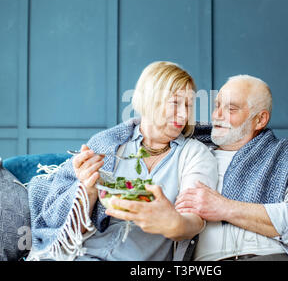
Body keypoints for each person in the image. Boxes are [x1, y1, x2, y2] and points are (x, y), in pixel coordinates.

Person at [26, 61, 218, 261]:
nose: (184, 114)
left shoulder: (194, 154)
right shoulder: (109, 145)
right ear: (151, 100)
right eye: (176, 103)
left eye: (188, 105)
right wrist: (88, 188)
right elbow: (71, 228)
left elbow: (194, 220)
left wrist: (174, 223)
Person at [174, 75, 288, 261]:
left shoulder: (282, 157)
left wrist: (224, 207)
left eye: (231, 108)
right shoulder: (192, 151)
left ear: (260, 120)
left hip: (272, 255)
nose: (217, 115)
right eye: (216, 106)